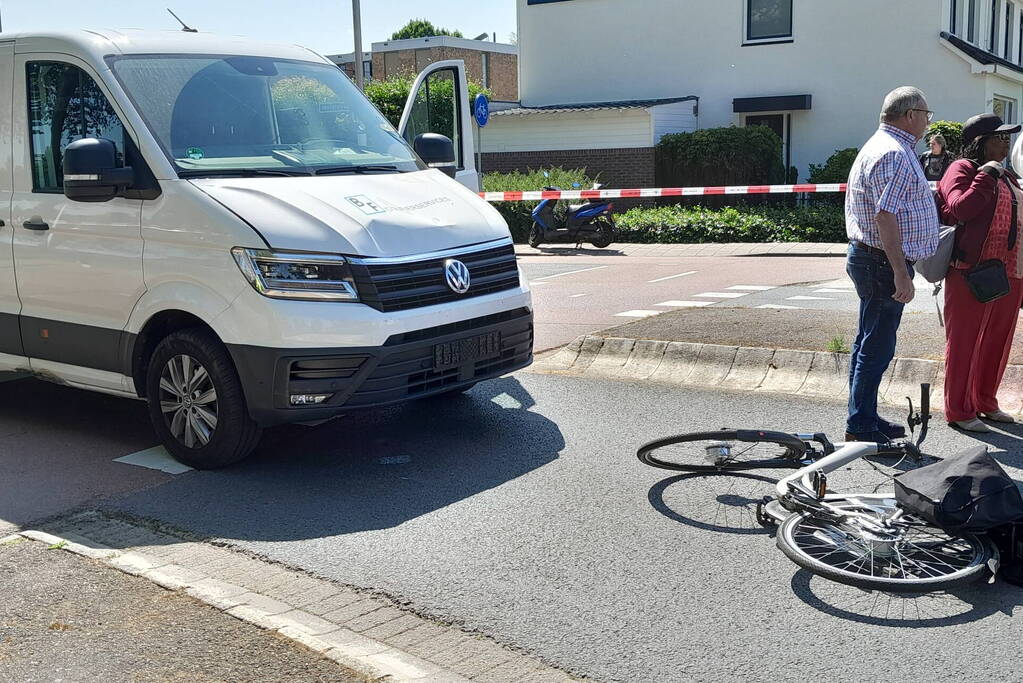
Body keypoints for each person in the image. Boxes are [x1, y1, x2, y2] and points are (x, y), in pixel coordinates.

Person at [844, 86, 940, 442]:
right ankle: (861, 425)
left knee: (869, 341)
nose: (928, 122)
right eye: (926, 115)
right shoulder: (895, 154)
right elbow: (886, 216)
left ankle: (862, 416)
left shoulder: (882, 146)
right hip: (882, 262)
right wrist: (901, 271)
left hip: (873, 258)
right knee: (877, 345)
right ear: (911, 114)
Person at [936, 113, 1023, 432]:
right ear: (980, 142)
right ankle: (959, 410)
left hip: (1010, 271)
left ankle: (985, 401)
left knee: (997, 342)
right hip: (971, 271)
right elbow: (959, 209)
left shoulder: (1008, 176)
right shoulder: (963, 169)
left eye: (1008, 137)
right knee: (964, 342)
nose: (1007, 142)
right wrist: (986, 174)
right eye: (999, 137)